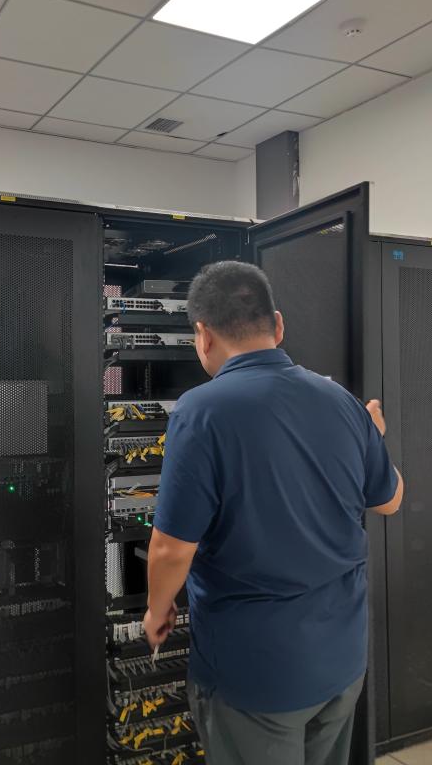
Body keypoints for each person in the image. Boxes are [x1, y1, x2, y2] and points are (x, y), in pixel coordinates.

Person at [143, 261, 403, 765]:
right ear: (278, 325)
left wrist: (158, 611)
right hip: (342, 658)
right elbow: (389, 499)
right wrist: (372, 438)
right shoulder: (343, 402)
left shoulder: (201, 411)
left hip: (257, 674)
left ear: (203, 335)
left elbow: (171, 548)